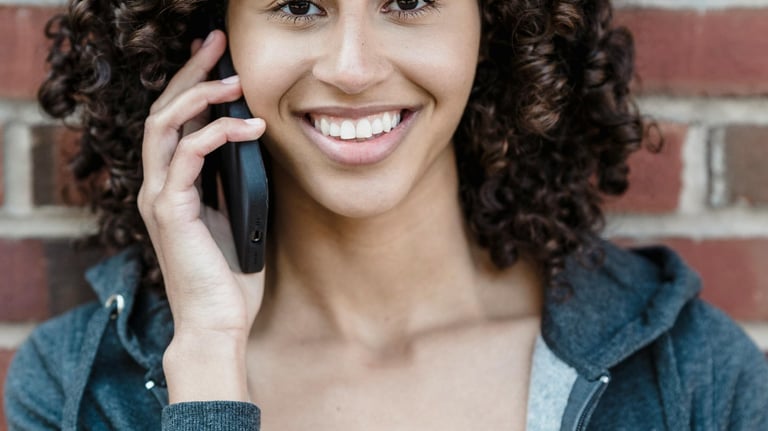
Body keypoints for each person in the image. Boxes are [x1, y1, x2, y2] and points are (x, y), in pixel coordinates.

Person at [4, 0, 768, 428]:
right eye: (299, 4)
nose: (354, 68)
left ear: (494, 25)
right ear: (216, 42)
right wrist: (206, 364)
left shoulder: (690, 375)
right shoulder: (77, 392)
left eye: (408, 0)